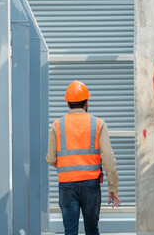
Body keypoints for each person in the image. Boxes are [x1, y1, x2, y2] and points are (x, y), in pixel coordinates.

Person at [46, 80, 121, 235]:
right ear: (86, 102)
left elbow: (50, 157)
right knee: (92, 230)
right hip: (91, 185)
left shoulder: (57, 124)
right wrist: (112, 187)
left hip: (66, 185)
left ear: (68, 104)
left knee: (70, 231)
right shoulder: (98, 123)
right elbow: (108, 157)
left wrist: (67, 164)